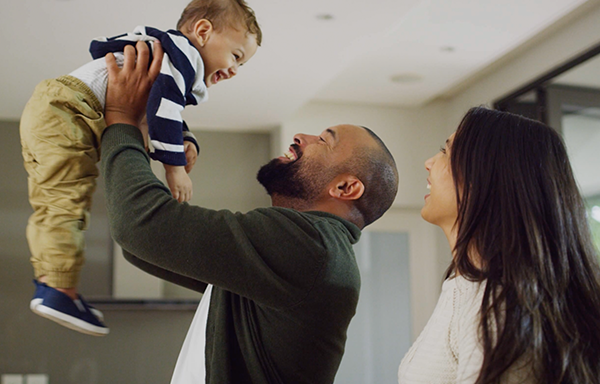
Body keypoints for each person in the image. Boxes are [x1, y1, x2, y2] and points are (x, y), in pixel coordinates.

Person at [100, 41, 398, 383]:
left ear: (346, 189)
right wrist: (149, 134)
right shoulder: (309, 252)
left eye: (323, 141)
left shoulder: (312, 245)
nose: (301, 136)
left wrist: (121, 120)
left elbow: (139, 227)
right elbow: (144, 248)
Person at [20, 0, 261, 336]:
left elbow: (163, 109)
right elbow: (163, 113)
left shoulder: (170, 57)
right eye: (237, 56)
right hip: (69, 110)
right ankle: (57, 288)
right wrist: (173, 169)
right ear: (204, 31)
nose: (236, 69)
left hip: (57, 110)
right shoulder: (180, 58)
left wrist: (185, 138)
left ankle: (52, 284)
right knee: (64, 201)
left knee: (55, 199)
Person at [398, 107, 600, 383]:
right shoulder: (466, 288)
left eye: (445, 152)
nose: (429, 162)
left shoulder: (499, 303)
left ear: (483, 176)